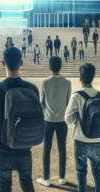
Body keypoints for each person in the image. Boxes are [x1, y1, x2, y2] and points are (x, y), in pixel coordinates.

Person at [0, 47, 40, 192]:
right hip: (24, 147)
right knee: (27, 183)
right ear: (21, 63)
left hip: (2, 148)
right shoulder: (32, 89)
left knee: (3, 186)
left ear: (3, 63)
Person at [65, 63, 100, 192]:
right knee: (97, 172)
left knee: (81, 172)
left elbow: (67, 119)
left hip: (80, 139)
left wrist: (78, 117)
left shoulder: (76, 96)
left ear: (80, 77)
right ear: (93, 77)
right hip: (96, 140)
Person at [37, 57, 71, 187]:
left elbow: (42, 103)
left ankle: (46, 178)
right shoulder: (67, 82)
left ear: (50, 67)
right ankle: (62, 177)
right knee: (62, 149)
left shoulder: (45, 82)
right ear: (60, 66)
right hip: (62, 120)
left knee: (47, 149)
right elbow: (68, 103)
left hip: (48, 120)